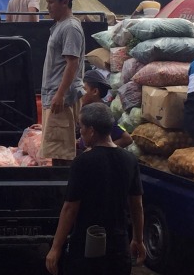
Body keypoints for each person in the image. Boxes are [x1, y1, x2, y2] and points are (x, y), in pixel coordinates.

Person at [46, 103, 146, 275]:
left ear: (91, 130)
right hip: (118, 245)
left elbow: (70, 208)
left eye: (81, 127)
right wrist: (138, 239)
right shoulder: (129, 160)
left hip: (88, 246)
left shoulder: (83, 162)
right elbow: (137, 205)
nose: (80, 132)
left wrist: (56, 247)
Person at [38, 0, 85, 166]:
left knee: (62, 152)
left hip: (61, 100)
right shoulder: (60, 25)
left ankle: (64, 191)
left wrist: (60, 94)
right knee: (55, 149)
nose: (47, 6)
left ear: (65, 2)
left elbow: (72, 63)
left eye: (51, 2)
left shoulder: (70, 27)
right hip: (55, 97)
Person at [77, 70, 132, 153]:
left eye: (84, 89)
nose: (80, 93)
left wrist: (96, 151)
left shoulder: (101, 114)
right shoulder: (86, 109)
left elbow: (127, 139)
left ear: (95, 91)